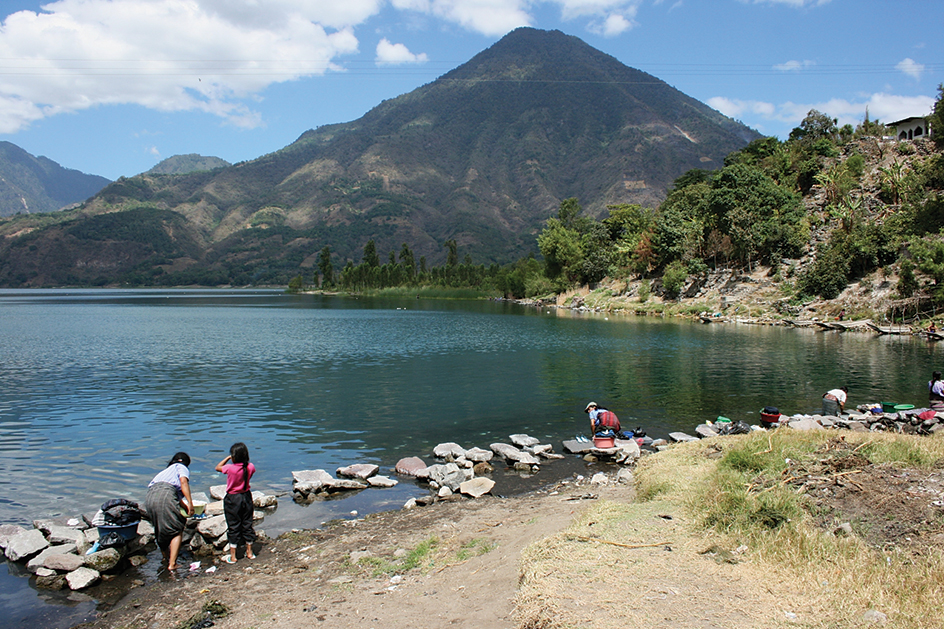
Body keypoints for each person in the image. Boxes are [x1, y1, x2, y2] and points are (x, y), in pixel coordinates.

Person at [144, 452, 193, 571]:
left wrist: (183, 505)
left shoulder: (164, 472)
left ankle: (165, 557)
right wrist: (190, 503)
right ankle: (172, 564)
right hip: (166, 494)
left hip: (150, 496)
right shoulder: (181, 467)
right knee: (176, 528)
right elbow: (183, 483)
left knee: (160, 528)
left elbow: (172, 492)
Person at [215, 442, 256, 563]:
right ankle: (249, 552)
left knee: (233, 525)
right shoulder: (251, 467)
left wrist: (227, 458)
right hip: (246, 496)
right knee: (247, 523)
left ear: (234, 456)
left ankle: (233, 556)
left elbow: (217, 467)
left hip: (233, 498)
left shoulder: (230, 468)